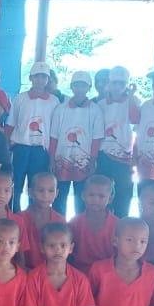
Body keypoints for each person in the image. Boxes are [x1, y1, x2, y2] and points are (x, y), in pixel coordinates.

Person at [50, 70, 105, 214]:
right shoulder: (60, 109)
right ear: (71, 87)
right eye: (76, 85)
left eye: (83, 85)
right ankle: (58, 226)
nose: (80, 89)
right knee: (59, 199)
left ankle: (79, 226)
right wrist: (51, 160)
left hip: (84, 163)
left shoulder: (96, 110)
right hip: (61, 161)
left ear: (89, 88)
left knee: (82, 200)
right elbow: (54, 137)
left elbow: (96, 139)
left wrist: (92, 161)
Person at [9, 62, 60, 199]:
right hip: (20, 148)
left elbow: (55, 131)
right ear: (30, 78)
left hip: (41, 150)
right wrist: (7, 146)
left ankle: (35, 212)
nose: (40, 80)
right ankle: (14, 211)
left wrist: (52, 154)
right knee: (15, 185)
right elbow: (10, 123)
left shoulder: (54, 101)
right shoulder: (20, 98)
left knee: (37, 187)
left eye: (44, 77)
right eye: (37, 76)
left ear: (48, 79)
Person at [96, 66, 139, 217]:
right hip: (104, 154)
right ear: (109, 83)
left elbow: (135, 119)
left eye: (122, 83)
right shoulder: (101, 104)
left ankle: (122, 224)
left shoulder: (132, 101)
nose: (118, 87)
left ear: (126, 84)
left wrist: (131, 96)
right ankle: (102, 223)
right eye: (114, 83)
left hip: (124, 156)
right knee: (101, 192)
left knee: (123, 194)